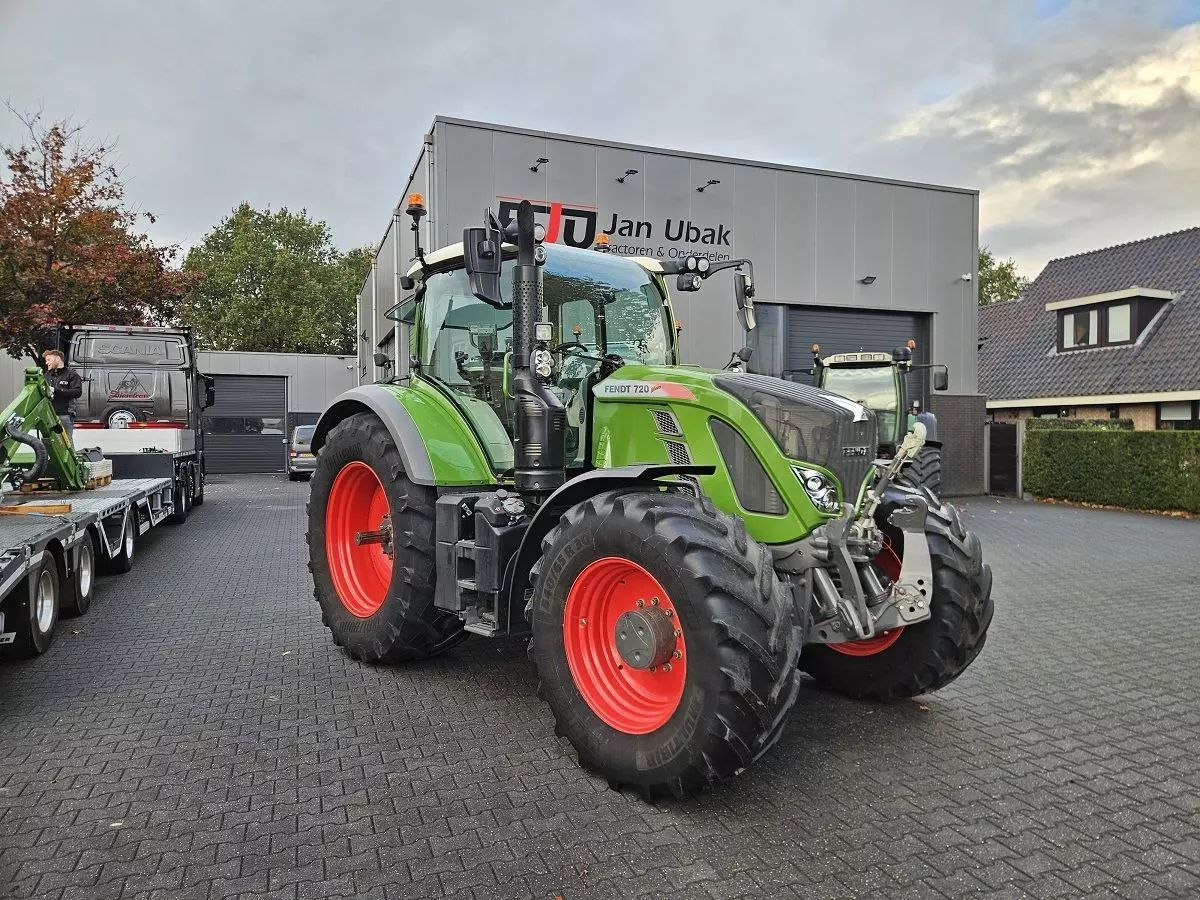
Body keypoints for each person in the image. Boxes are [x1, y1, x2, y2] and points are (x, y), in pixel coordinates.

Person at [43, 349, 83, 439]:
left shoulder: (71, 375)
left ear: (57, 358)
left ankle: (70, 453)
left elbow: (77, 392)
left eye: (49, 359)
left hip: (65, 414)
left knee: (66, 441)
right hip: (49, 415)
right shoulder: (47, 376)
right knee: (51, 442)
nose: (46, 363)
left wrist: (56, 390)